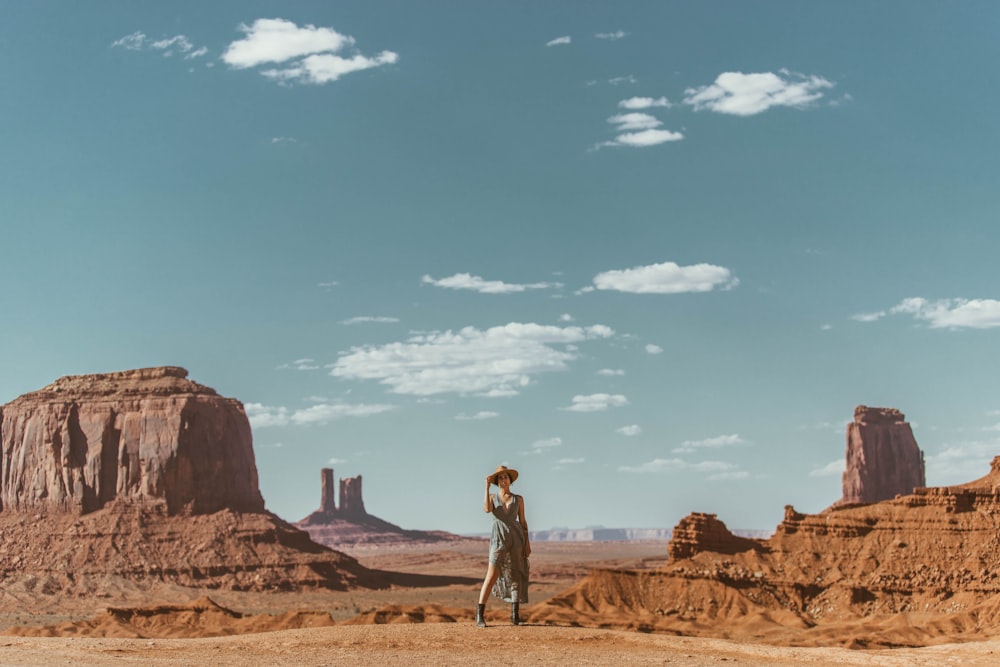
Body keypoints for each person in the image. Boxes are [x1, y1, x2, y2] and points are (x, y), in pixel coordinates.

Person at [476, 464, 531, 627]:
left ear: (510, 480)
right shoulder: (492, 498)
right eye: (500, 477)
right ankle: (479, 614)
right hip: (498, 537)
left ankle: (515, 615)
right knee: (491, 575)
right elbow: (486, 509)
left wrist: (527, 543)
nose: (503, 479)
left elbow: (523, 521)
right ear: (497, 482)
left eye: (506, 477)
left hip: (516, 538)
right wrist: (486, 488)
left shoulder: (518, 499)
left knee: (515, 574)